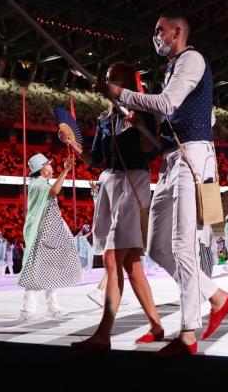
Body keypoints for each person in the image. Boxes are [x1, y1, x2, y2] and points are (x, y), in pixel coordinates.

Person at [101, 13, 228, 355]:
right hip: (172, 158)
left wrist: (122, 92)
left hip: (192, 155)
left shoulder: (192, 59)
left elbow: (167, 103)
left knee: (181, 245)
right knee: (157, 246)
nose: (155, 36)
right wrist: (139, 120)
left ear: (177, 32)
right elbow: (167, 117)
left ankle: (187, 334)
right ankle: (218, 298)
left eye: (160, 30)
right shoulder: (172, 68)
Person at [63, 63, 165, 347]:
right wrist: (73, 143)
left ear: (129, 82)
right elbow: (96, 159)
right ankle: (156, 326)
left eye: (114, 79)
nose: (109, 83)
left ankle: (104, 333)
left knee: (112, 259)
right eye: (107, 79)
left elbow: (151, 150)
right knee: (132, 264)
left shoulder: (143, 110)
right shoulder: (105, 119)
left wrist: (140, 125)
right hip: (110, 183)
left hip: (134, 182)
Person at [17, 153, 82, 320]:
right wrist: (66, 171)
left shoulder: (42, 182)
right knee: (36, 270)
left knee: (50, 270)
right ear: (41, 169)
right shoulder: (37, 184)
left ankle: (52, 307)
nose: (51, 166)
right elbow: (54, 191)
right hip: (41, 233)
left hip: (52, 232)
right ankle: (27, 310)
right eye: (48, 164)